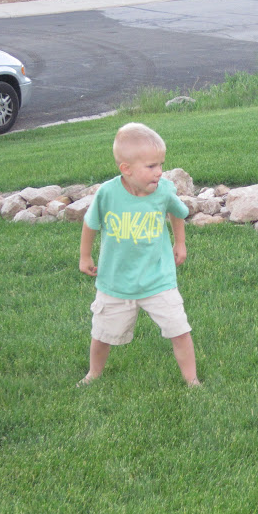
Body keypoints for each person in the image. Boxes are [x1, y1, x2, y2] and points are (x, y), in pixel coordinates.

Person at [77, 122, 200, 388]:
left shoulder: (163, 190)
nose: (159, 172)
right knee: (101, 334)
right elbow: (90, 223)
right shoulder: (107, 194)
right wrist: (85, 256)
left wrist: (180, 243)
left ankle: (192, 380)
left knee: (180, 329)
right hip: (115, 282)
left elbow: (177, 212)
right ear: (126, 169)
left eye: (161, 164)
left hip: (158, 278)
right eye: (151, 166)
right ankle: (93, 373)